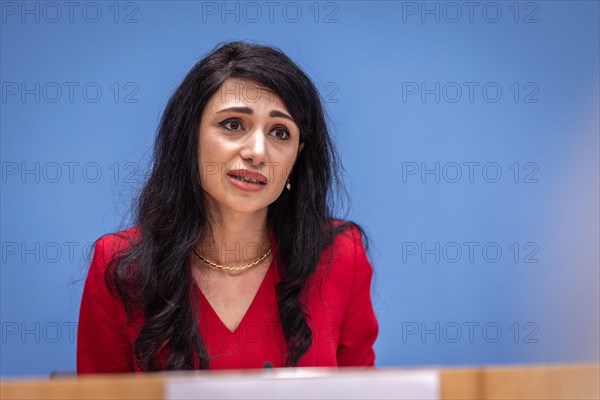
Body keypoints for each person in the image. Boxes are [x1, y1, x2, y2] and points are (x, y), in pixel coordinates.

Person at [77, 41, 378, 373]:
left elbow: (363, 387)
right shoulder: (120, 265)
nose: (257, 152)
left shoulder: (341, 256)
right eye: (233, 124)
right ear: (188, 136)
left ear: (296, 158)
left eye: (280, 132)